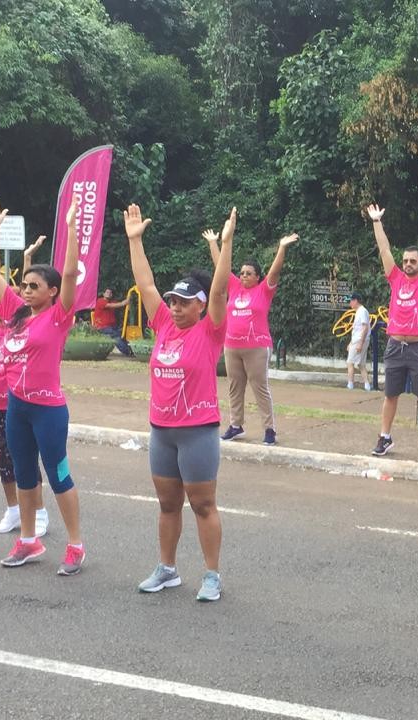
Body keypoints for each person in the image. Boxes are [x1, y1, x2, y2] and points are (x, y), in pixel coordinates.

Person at [124, 203, 234, 601]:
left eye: (184, 302)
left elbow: (221, 288)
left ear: (201, 305)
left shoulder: (210, 331)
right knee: (167, 504)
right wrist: (135, 240)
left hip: (197, 432)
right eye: (173, 301)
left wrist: (226, 245)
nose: (174, 306)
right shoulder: (164, 324)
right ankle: (167, 568)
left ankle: (211, 575)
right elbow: (145, 284)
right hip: (162, 431)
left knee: (203, 504)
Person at [0, 194, 87, 575]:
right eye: (24, 285)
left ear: (52, 292)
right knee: (25, 474)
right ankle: (29, 540)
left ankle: (75, 545)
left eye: (33, 286)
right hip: (16, 409)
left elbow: (72, 273)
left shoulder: (59, 317)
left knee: (58, 476)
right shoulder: (16, 313)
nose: (25, 290)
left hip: (48, 411)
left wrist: (73, 229)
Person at [0, 235, 50, 536]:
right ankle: (13, 510)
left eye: (0, 302)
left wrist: (26, 260)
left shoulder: (24, 328)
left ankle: (39, 511)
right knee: (3, 460)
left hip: (22, 402)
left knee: (26, 460)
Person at [364, 202, 418, 462]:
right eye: (406, 261)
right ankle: (385, 437)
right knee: (390, 395)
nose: (408, 264)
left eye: (413, 261)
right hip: (395, 345)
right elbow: (384, 249)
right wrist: (377, 221)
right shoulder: (396, 278)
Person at [207, 230, 297, 446]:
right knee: (234, 387)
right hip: (232, 346)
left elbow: (274, 271)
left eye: (249, 273)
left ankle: (269, 429)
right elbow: (221, 266)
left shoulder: (264, 290)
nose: (244, 275)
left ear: (257, 276)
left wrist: (282, 247)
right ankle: (236, 425)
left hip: (256, 347)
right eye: (242, 272)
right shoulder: (235, 287)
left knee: (260, 387)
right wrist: (213, 243)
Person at [93, 287, 135, 358]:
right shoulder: (100, 301)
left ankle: (131, 351)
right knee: (116, 337)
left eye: (110, 293)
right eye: (107, 292)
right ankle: (129, 352)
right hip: (102, 327)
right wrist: (123, 303)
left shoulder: (112, 302)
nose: (109, 294)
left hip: (111, 327)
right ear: (103, 294)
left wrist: (128, 300)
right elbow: (112, 305)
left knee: (121, 335)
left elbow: (117, 304)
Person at [346, 292, 372, 390]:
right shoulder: (360, 311)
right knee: (361, 364)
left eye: (351, 301)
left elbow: (365, 328)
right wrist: (351, 343)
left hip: (359, 341)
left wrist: (360, 343)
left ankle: (350, 384)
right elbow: (357, 330)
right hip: (357, 341)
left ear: (355, 301)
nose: (350, 304)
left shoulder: (362, 311)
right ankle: (367, 385)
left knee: (350, 362)